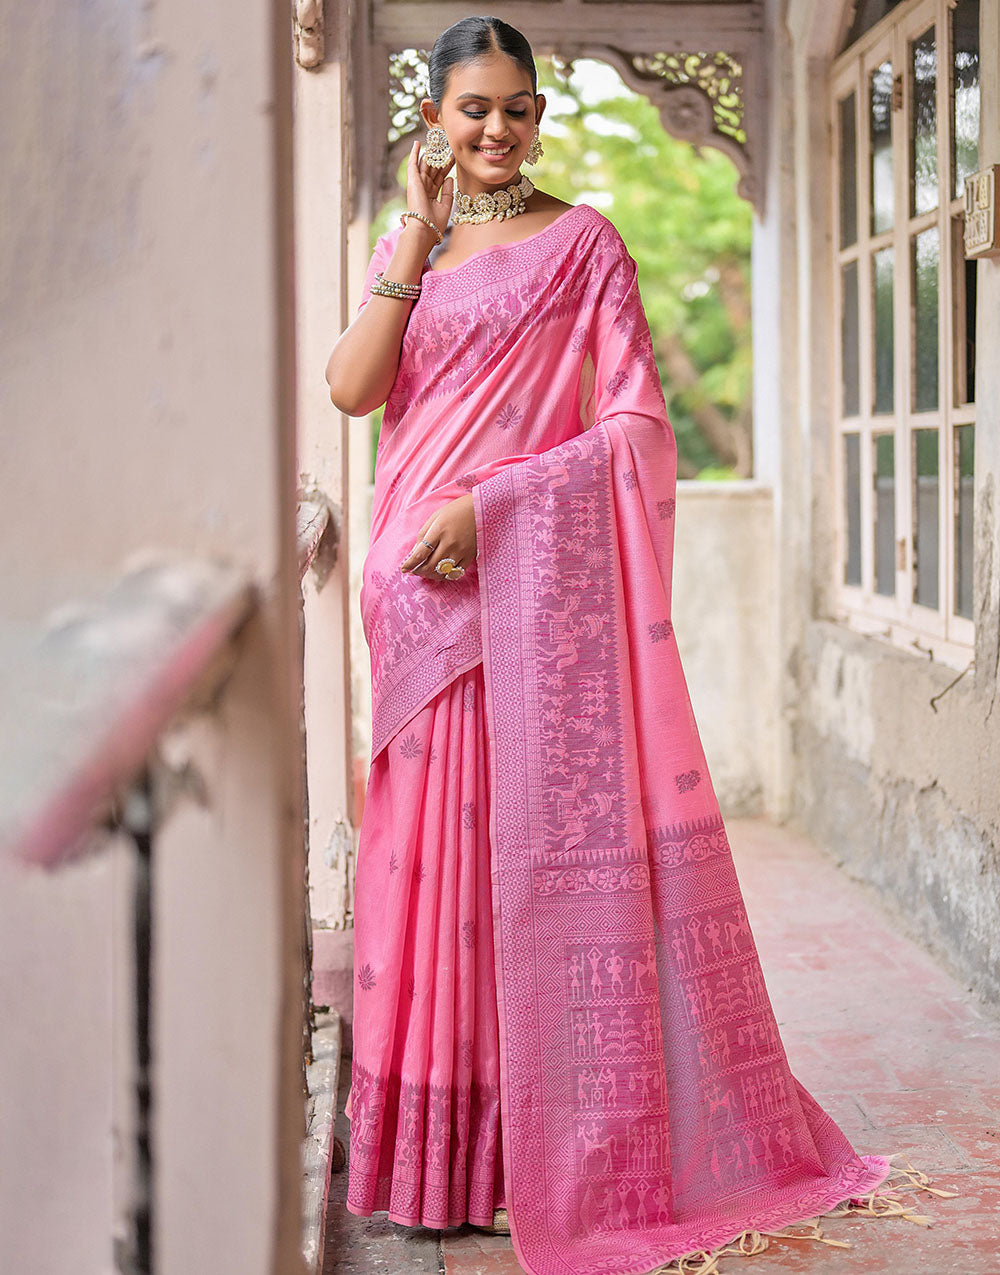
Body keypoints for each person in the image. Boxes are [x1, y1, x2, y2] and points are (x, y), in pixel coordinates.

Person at [325, 16, 922, 1275]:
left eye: (517, 108)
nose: (496, 130)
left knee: (518, 877)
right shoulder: (415, 244)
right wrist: (416, 242)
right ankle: (428, 1163)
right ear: (431, 118)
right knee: (426, 880)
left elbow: (636, 428)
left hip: (521, 591)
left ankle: (524, 1158)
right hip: (417, 605)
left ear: (539, 115)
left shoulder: (584, 245)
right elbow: (352, 388)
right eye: (473, 108)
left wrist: (494, 509)